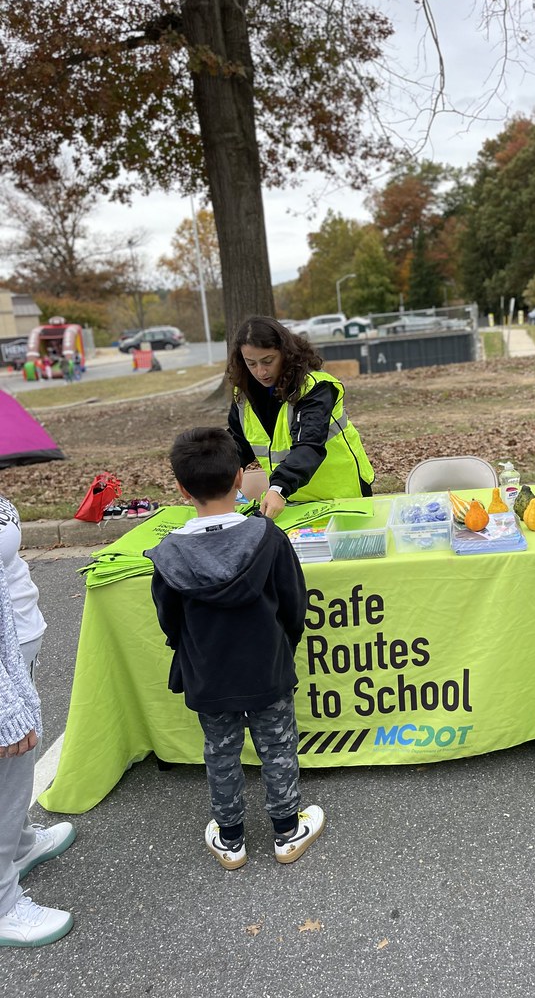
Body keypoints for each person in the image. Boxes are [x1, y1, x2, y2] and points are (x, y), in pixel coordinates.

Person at [145, 427, 324, 870]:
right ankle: (286, 832)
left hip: (209, 671)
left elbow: (169, 618)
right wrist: (283, 642)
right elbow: (293, 602)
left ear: (182, 489)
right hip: (266, 664)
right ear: (240, 481)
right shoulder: (268, 537)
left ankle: (231, 839)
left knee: (220, 751)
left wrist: (190, 648)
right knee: (278, 746)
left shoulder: (170, 555)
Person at [0, 496, 76, 948]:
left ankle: (20, 843)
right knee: (6, 774)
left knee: (18, 773)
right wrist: (5, 703)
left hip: (17, 643)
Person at [226, 316, 374, 520]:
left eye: (268, 361)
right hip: (291, 501)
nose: (260, 371)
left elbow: (308, 444)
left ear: (285, 353)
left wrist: (278, 487)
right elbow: (238, 444)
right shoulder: (243, 395)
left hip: (341, 496)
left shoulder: (317, 387)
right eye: (251, 363)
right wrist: (220, 475)